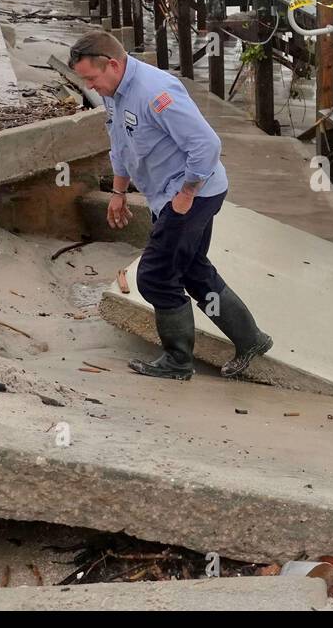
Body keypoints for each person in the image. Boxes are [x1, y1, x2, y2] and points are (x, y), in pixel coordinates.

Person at [69, 31, 273, 381]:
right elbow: (120, 145)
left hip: (193, 194)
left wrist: (187, 193)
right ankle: (250, 339)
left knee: (156, 277)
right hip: (167, 195)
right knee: (193, 270)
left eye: (91, 78)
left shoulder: (155, 92)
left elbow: (206, 145)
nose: (90, 86)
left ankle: (178, 361)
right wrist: (118, 193)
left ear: (113, 65)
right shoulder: (114, 93)